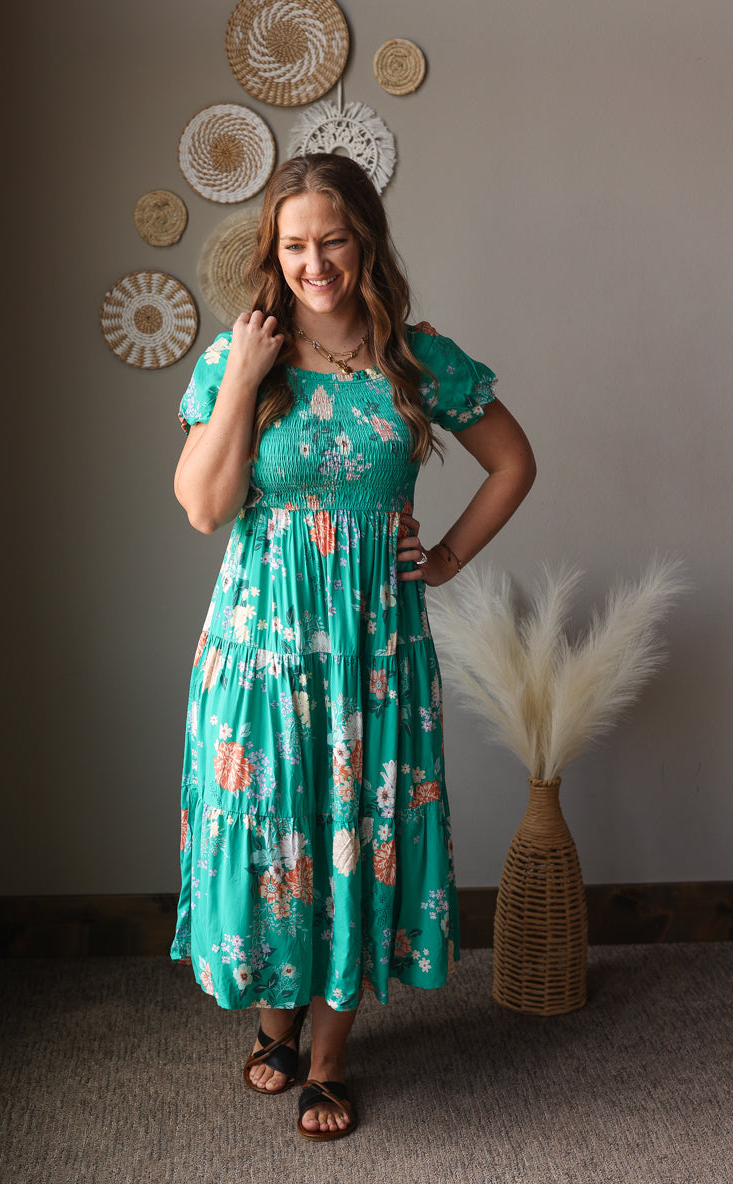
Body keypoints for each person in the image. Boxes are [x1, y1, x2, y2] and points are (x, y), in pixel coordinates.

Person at [171, 153, 536, 1141]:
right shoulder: (240, 355)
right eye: (292, 244)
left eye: (330, 240)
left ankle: (327, 1054)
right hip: (257, 649)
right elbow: (205, 507)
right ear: (271, 252)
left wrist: (449, 555)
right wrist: (246, 372)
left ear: (363, 241)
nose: (312, 263)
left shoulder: (413, 358)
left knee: (358, 837)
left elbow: (512, 461)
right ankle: (274, 1019)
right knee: (274, 833)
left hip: (374, 651)